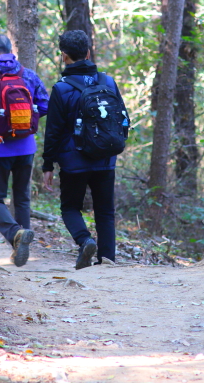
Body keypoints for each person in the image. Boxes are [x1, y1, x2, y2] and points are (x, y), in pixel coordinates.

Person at [42, 30, 128, 269]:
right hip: (105, 157)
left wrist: (48, 164)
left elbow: (54, 131)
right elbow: (122, 118)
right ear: (88, 52)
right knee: (105, 211)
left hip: (73, 161)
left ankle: (85, 240)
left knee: (70, 207)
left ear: (64, 56)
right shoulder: (108, 81)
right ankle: (108, 259)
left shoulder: (61, 89)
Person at [0, 34, 50, 266]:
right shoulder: (28, 74)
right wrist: (25, 120)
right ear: (12, 50)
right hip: (26, 146)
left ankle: (14, 235)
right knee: (22, 198)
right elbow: (45, 104)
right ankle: (24, 243)